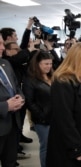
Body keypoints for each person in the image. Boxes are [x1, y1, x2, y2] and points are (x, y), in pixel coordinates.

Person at [46, 42, 81, 167]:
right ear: (80, 62)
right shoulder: (62, 83)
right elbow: (64, 119)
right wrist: (75, 148)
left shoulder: (79, 79)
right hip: (71, 150)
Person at [22, 50, 54, 167]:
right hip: (42, 121)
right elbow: (29, 102)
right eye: (46, 64)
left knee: (55, 146)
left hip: (55, 118)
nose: (49, 66)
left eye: (50, 63)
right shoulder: (30, 80)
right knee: (45, 147)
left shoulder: (52, 76)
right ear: (37, 64)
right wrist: (42, 115)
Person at [0, 33, 25, 167]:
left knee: (10, 162)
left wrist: (20, 98)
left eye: (2, 43)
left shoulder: (5, 64)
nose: (3, 47)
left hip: (13, 125)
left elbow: (16, 86)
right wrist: (5, 106)